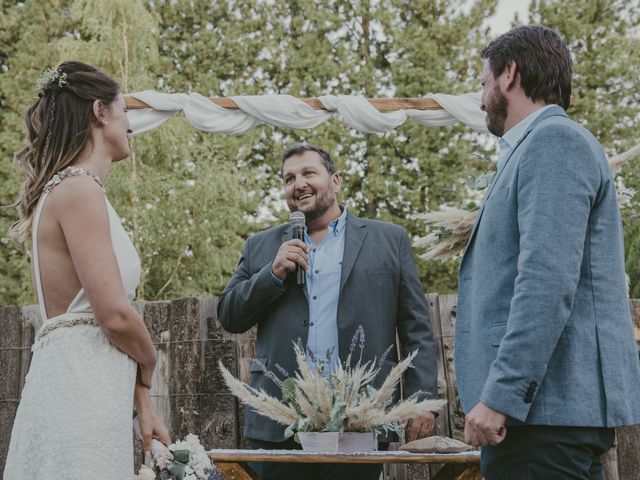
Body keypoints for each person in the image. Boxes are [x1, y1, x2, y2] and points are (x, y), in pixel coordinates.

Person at [455, 25, 640, 479]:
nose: (480, 100)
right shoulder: (541, 147)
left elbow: (546, 281)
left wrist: (501, 396)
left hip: (540, 416)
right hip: (545, 418)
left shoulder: (554, 142)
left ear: (509, 75)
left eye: (483, 83)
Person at [217, 144, 438, 480]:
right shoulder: (261, 246)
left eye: (308, 173)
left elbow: (416, 328)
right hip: (281, 421)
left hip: (359, 420)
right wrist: (272, 274)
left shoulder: (389, 240)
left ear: (335, 181)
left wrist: (421, 399)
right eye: (289, 178)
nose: (298, 183)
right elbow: (229, 315)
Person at [4, 62, 170, 479]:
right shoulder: (78, 191)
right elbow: (112, 315)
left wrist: (142, 400)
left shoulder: (77, 190)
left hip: (87, 384)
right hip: (79, 391)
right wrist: (150, 362)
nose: (131, 125)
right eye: (125, 111)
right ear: (100, 112)